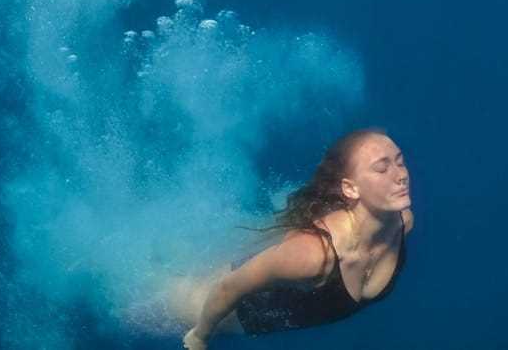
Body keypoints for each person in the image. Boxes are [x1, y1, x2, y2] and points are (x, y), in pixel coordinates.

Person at [174, 129, 413, 346]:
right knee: (145, 307)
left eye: (400, 162)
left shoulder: (403, 223)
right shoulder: (313, 255)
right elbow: (228, 287)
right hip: (216, 309)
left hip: (260, 280)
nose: (400, 175)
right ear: (350, 189)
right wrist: (199, 336)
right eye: (382, 169)